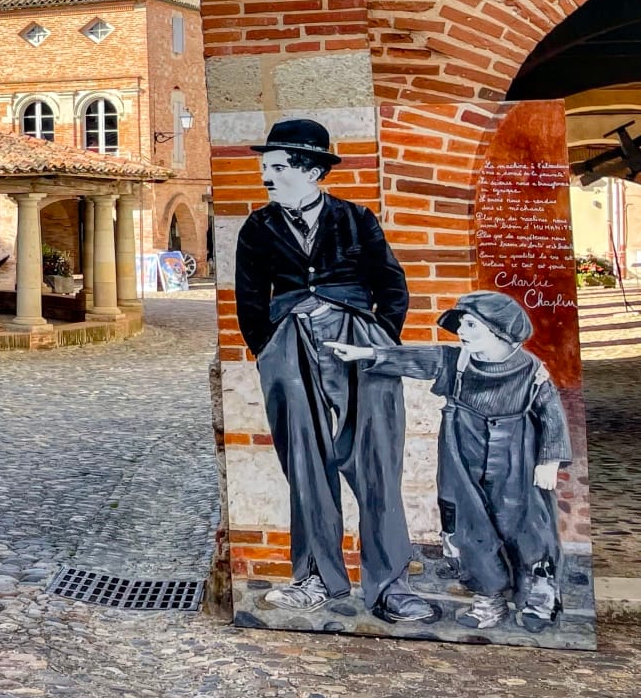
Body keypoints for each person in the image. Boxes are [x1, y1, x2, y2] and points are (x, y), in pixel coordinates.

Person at [234, 119, 438, 624]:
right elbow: (249, 300)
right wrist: (270, 348)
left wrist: (378, 342)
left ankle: (390, 586)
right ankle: (317, 578)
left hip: (358, 344)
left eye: (277, 168)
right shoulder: (257, 227)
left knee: (375, 459)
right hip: (288, 347)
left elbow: (392, 285)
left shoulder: (355, 218)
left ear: (310, 170)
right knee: (303, 461)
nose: (268, 178)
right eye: (265, 169)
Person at [328, 291, 570, 631]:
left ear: (501, 332)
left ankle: (540, 596)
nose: (462, 332)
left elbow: (551, 416)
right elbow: (418, 358)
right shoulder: (455, 362)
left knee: (528, 525)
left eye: (472, 325)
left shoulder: (532, 372)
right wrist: (368, 353)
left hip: (517, 461)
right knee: (469, 531)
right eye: (462, 325)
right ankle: (489, 599)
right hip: (462, 460)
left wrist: (550, 460)